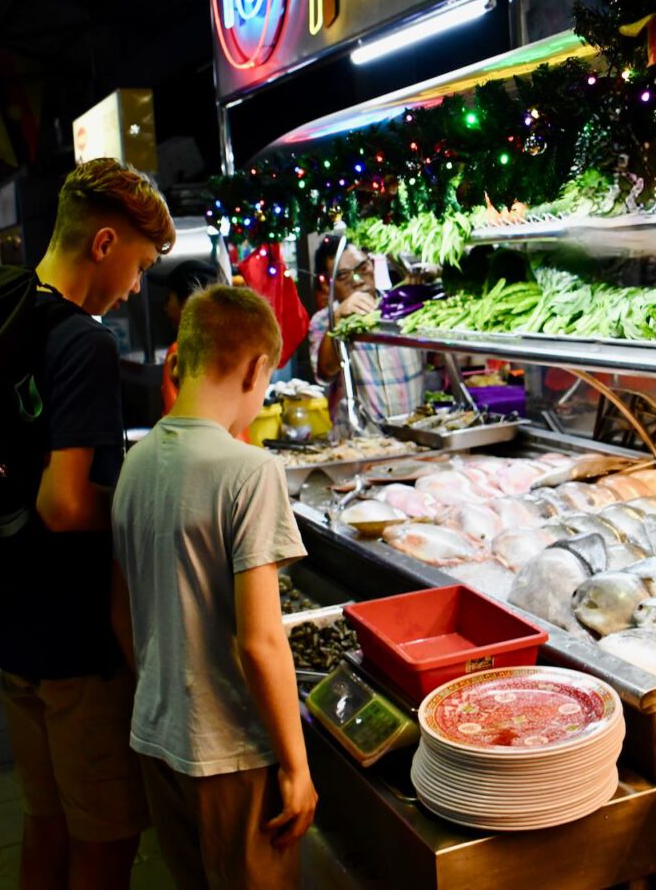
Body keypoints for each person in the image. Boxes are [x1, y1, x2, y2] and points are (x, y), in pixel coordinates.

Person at [0, 157, 175, 890]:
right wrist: (145, 507)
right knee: (104, 839)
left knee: (46, 821)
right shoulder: (83, 341)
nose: (134, 286)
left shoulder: (5, 310)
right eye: (138, 265)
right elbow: (64, 503)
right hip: (74, 640)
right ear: (103, 243)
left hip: (9, 623)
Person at [111, 285, 317, 890]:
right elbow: (262, 641)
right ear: (258, 368)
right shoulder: (250, 471)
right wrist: (297, 767)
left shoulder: (139, 458)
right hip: (231, 750)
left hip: (157, 735)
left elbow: (119, 608)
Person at [308, 237, 425, 431]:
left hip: (414, 433)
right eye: (344, 275)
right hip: (360, 442)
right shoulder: (324, 320)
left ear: (371, 263)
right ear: (328, 285)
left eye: (362, 268)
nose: (357, 280)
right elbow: (325, 373)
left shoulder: (402, 307)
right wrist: (337, 320)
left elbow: (437, 359)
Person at [157, 258, 221, 414]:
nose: (165, 307)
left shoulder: (179, 350)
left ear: (187, 300)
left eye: (169, 298)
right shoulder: (227, 343)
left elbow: (175, 415)